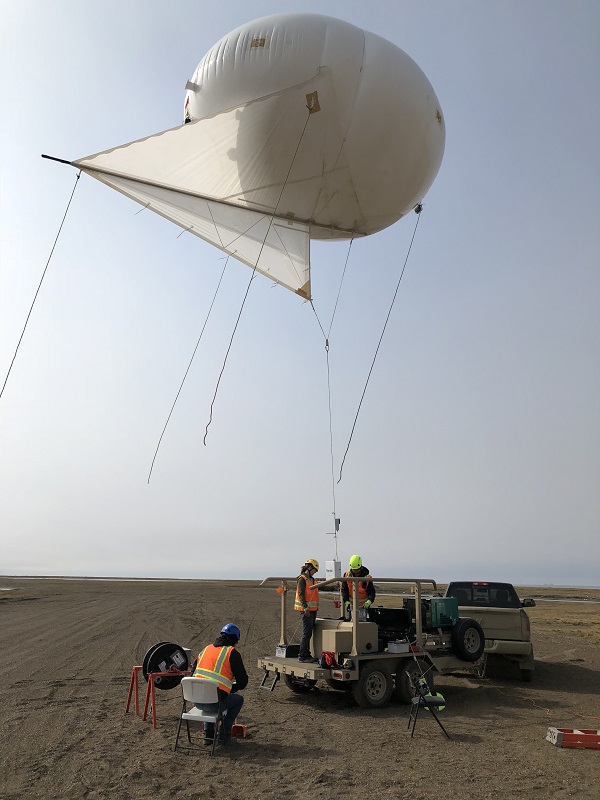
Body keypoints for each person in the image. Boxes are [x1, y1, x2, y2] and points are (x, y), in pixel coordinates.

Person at [192, 622, 248, 746]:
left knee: (209, 692)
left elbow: (194, 673)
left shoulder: (205, 649)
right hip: (213, 704)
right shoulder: (231, 653)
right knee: (238, 700)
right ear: (234, 639)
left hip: (196, 701)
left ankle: (208, 735)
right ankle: (223, 735)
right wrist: (230, 688)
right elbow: (243, 682)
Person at [294, 558, 320, 663]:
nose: (315, 572)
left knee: (309, 632)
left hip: (313, 610)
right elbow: (301, 594)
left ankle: (307, 653)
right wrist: (305, 608)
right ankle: (302, 655)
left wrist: (333, 587)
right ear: (309, 567)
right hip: (307, 611)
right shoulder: (302, 579)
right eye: (314, 570)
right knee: (306, 633)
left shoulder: (312, 580)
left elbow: (320, 587)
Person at [341, 554, 375, 619]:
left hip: (363, 607)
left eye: (357, 570)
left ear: (360, 567)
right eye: (354, 570)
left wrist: (369, 601)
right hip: (350, 605)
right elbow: (344, 589)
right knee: (350, 624)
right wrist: (346, 601)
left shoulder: (367, 578)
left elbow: (371, 592)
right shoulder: (346, 575)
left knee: (362, 625)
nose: (355, 572)